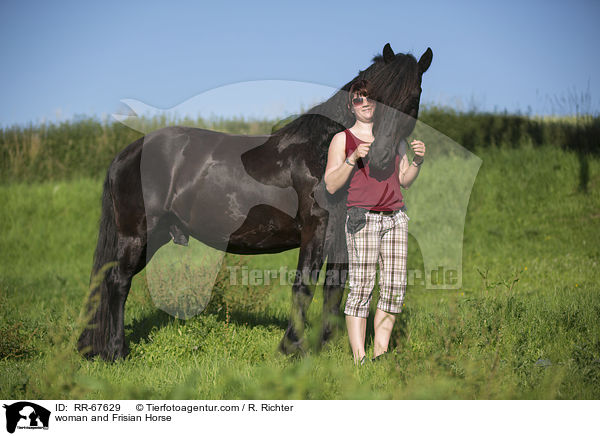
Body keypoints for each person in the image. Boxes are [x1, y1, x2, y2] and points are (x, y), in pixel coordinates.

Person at [324, 79, 426, 365]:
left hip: (396, 219)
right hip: (362, 219)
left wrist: (417, 161)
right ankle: (360, 358)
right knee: (362, 287)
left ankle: (381, 355)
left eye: (369, 98)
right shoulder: (343, 139)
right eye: (358, 99)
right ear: (351, 106)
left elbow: (404, 180)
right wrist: (353, 158)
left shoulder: (393, 137)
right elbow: (331, 185)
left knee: (394, 288)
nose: (365, 103)